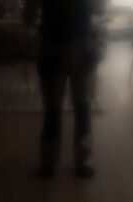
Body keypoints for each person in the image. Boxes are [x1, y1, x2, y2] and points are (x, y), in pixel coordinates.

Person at [23, 0, 104, 178]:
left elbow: (28, 18)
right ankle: (81, 162)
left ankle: (48, 163)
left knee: (53, 109)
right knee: (82, 107)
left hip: (53, 47)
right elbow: (100, 9)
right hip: (81, 46)